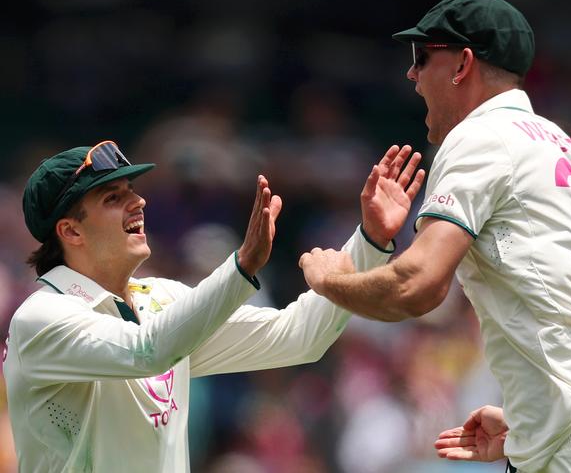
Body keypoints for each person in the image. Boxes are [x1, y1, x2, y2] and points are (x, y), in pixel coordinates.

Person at [298, 0, 571, 472]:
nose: (412, 74)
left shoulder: (482, 136)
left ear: (462, 64)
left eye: (422, 58)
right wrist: (533, 423)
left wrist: (328, 280)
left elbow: (417, 286)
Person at [3, 139, 424, 472]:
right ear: (71, 232)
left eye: (131, 190)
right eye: (112, 198)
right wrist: (241, 267)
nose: (139, 202)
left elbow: (299, 338)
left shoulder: (162, 300)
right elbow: (145, 351)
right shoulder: (41, 318)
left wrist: (370, 241)